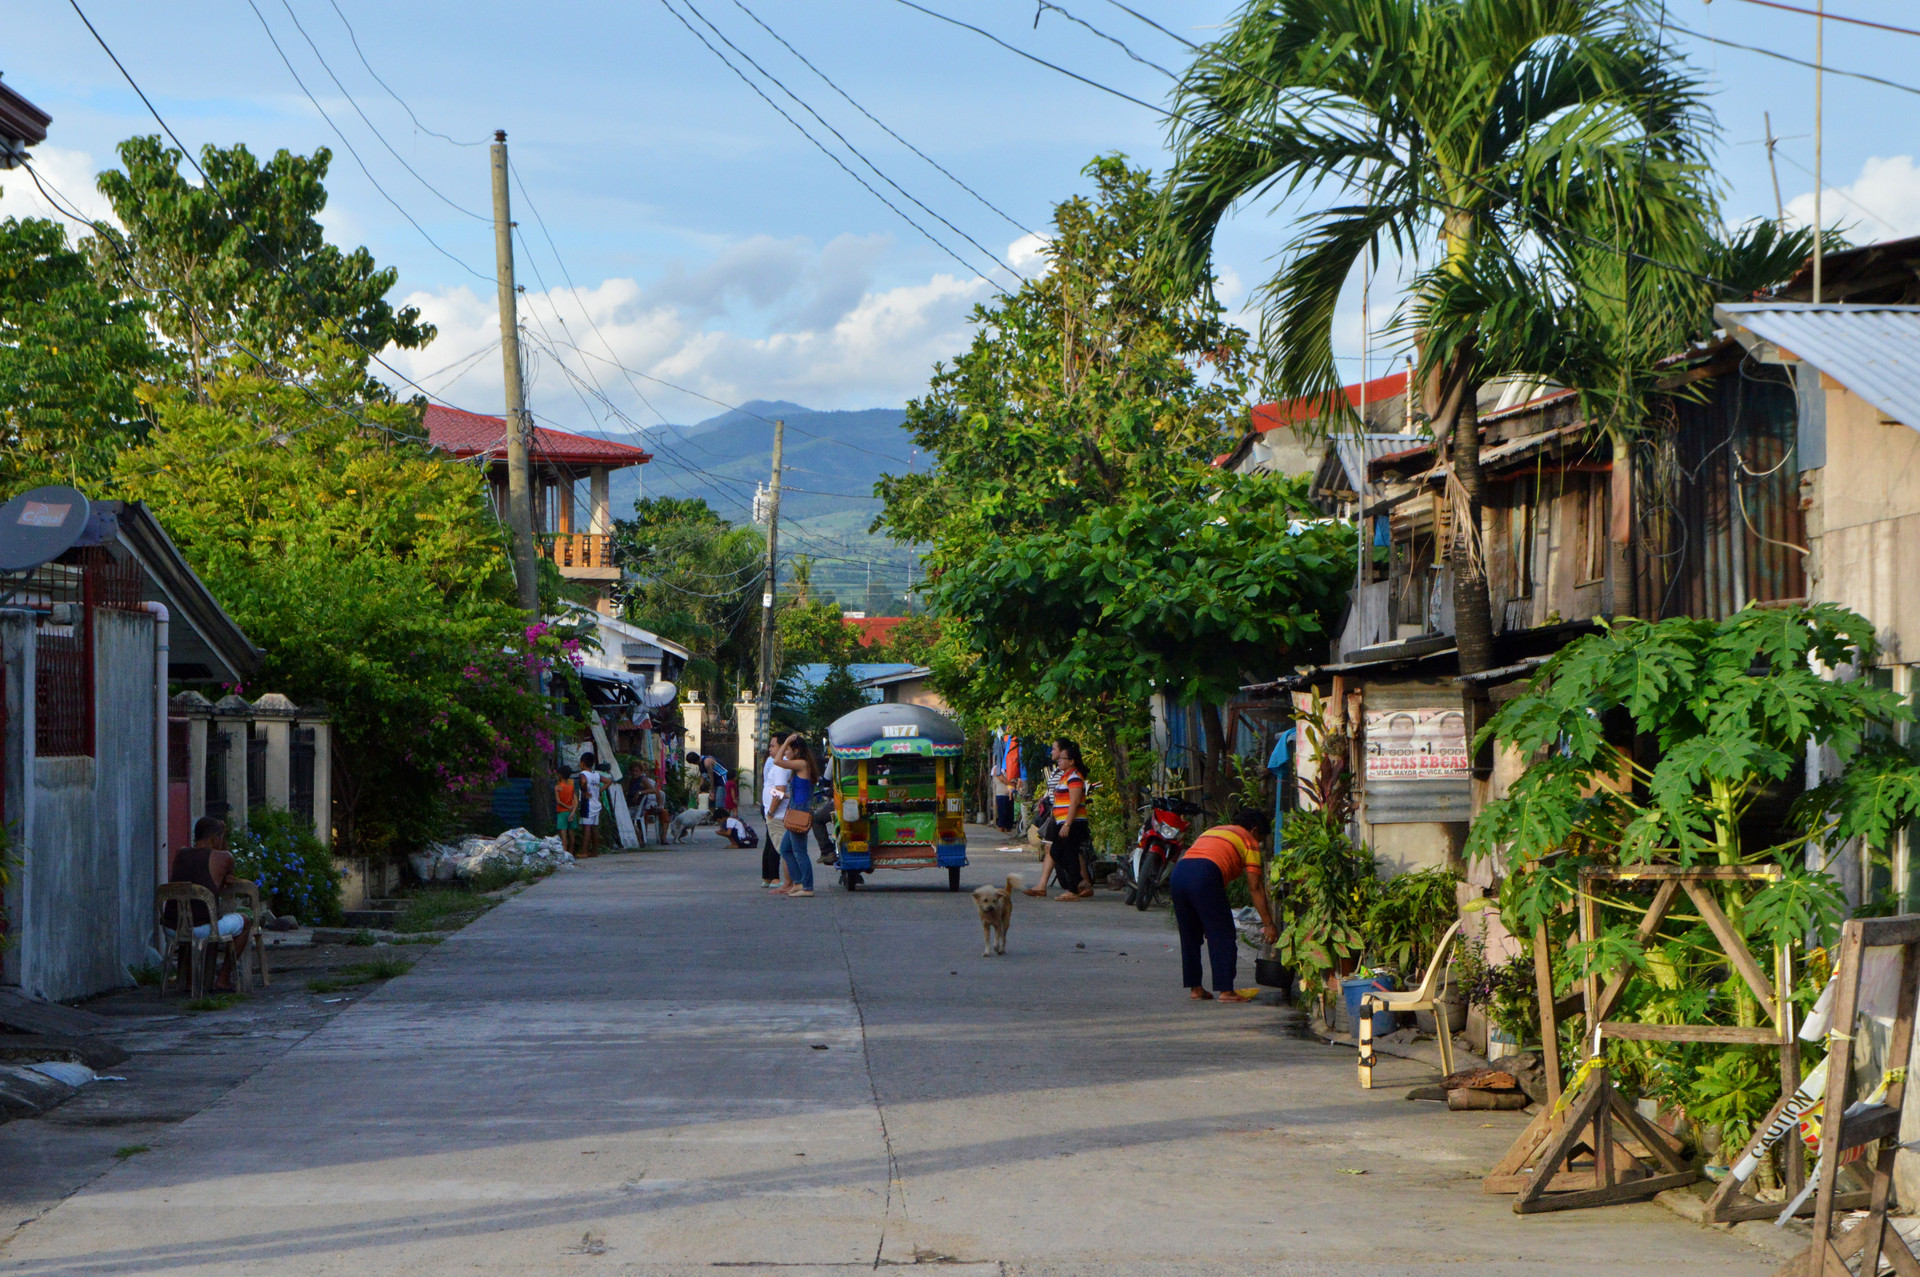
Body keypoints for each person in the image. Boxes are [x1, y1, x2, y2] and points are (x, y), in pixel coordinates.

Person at [1170, 808, 1278, 1003]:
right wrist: (1268, 924)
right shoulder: (1249, 840)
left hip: (1179, 875)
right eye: (1261, 838)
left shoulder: (1214, 830)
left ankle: (1196, 988)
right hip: (1205, 875)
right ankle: (1226, 991)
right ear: (1254, 830)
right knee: (1223, 933)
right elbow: (1255, 887)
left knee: (1190, 935)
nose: (1259, 844)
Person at [164, 816, 255, 993]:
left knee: (194, 918)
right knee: (245, 921)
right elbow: (227, 878)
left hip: (172, 926)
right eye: (220, 837)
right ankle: (223, 978)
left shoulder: (180, 853)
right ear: (215, 838)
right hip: (202, 928)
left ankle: (191, 981)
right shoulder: (223, 857)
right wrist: (224, 839)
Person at [770, 733, 821, 897]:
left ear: (796, 750)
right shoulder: (802, 765)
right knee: (786, 849)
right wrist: (785, 797)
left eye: (789, 750)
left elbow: (777, 761)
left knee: (799, 851)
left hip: (799, 813)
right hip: (796, 810)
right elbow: (800, 792)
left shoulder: (801, 763)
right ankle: (799, 882)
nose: (785, 752)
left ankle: (807, 887)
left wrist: (785, 742)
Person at [1047, 739, 1094, 901]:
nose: (1059, 760)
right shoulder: (1065, 776)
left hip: (1074, 823)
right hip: (1064, 822)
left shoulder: (1074, 777)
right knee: (1056, 852)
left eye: (1063, 758)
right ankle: (1080, 883)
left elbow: (1074, 802)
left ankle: (1073, 890)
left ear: (1072, 761)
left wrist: (1067, 823)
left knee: (1070, 853)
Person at [760, 730, 794, 890]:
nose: (770, 749)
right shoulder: (776, 764)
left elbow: (779, 790)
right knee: (775, 845)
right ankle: (772, 878)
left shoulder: (781, 766)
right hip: (775, 813)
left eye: (773, 746)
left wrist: (771, 811)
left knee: (782, 849)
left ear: (782, 747)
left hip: (778, 814)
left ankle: (787, 882)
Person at [577, 752, 605, 857]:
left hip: (587, 803)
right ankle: (595, 851)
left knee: (587, 827)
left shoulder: (583, 774)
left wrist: (584, 790)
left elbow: (583, 782)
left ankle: (584, 851)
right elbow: (608, 781)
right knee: (594, 828)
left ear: (583, 763)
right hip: (596, 803)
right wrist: (599, 790)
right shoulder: (596, 775)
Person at [554, 771, 579, 856]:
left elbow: (558, 801)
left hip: (562, 813)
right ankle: (571, 853)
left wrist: (567, 807)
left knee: (564, 835)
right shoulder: (571, 787)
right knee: (571, 833)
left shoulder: (558, 787)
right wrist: (572, 812)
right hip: (571, 813)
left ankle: (565, 853)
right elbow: (576, 802)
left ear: (560, 775)